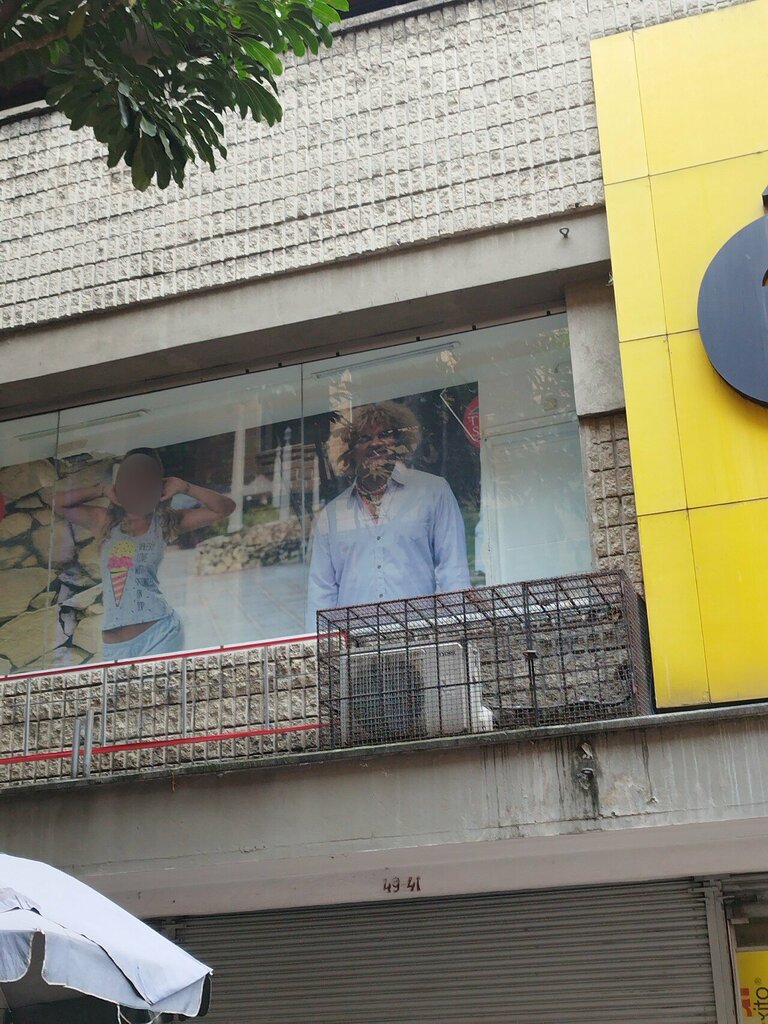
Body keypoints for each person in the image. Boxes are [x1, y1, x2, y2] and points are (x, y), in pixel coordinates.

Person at [58, 447, 235, 660]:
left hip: (160, 633)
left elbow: (223, 508)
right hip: (115, 646)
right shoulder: (104, 521)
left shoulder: (163, 523)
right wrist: (102, 489)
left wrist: (183, 486)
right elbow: (57, 504)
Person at [306, 401, 471, 628]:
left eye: (385, 434)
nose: (376, 443)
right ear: (351, 451)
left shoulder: (432, 491)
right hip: (355, 645)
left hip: (420, 635)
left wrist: (456, 629)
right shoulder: (332, 515)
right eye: (364, 438)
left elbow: (453, 570)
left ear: (399, 442)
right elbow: (321, 590)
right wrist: (319, 650)